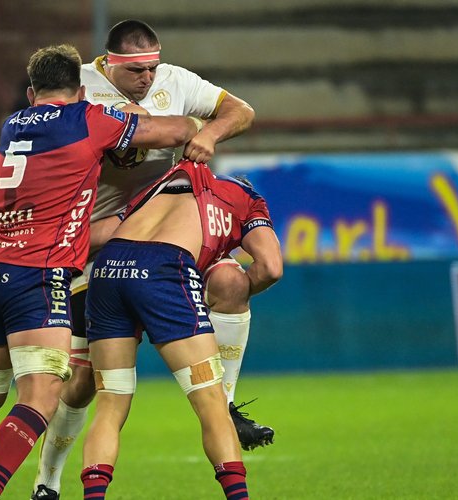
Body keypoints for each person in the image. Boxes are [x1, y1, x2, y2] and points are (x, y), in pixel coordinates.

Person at [0, 43, 201, 500]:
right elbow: (173, 130)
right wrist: (196, 125)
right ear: (80, 91)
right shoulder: (87, 119)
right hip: (37, 277)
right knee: (40, 398)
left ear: (30, 92)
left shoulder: (11, 125)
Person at [33, 19, 268, 499]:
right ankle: (47, 480)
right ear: (108, 64)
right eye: (136, 70)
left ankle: (225, 403)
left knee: (230, 283)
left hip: (168, 241)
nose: (147, 78)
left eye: (152, 68)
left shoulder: (175, 81)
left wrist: (211, 133)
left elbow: (241, 110)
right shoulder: (80, 87)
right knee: (82, 383)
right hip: (98, 243)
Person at [79, 159, 282, 499]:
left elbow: (98, 234)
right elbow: (271, 268)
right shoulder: (247, 198)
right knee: (213, 404)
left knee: (110, 405)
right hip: (164, 268)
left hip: (107, 268)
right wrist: (223, 292)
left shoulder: (162, 182)